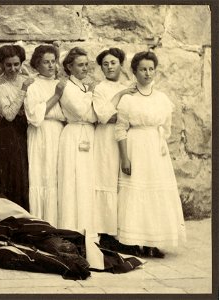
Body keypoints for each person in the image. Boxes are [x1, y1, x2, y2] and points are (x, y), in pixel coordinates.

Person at [0, 174, 143, 280]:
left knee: (55, 243)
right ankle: (69, 262)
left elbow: (18, 218)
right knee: (19, 256)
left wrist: (2, 231)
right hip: (6, 243)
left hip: (23, 232)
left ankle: (76, 253)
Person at [115, 51, 186, 258]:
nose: (147, 73)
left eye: (151, 69)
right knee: (137, 193)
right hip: (136, 147)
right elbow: (120, 130)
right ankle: (137, 241)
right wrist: (125, 157)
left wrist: (159, 144)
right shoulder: (128, 99)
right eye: (143, 69)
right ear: (134, 72)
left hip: (156, 151)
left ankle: (155, 242)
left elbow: (167, 127)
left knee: (157, 194)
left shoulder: (162, 98)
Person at [92, 48, 136, 245]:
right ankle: (106, 231)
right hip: (106, 139)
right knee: (106, 178)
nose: (110, 67)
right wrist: (119, 97)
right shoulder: (99, 88)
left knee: (123, 181)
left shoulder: (130, 86)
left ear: (121, 64)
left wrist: (126, 118)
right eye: (105, 64)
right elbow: (103, 116)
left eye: (113, 63)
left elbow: (135, 115)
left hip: (125, 138)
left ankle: (124, 231)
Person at [57, 47, 98, 241]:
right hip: (74, 134)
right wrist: (90, 95)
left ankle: (87, 229)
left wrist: (89, 99)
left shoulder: (82, 86)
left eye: (86, 64)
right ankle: (71, 228)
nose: (85, 68)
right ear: (69, 67)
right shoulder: (66, 87)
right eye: (80, 65)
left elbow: (94, 114)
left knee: (86, 180)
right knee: (73, 181)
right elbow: (82, 111)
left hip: (88, 134)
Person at [0, 44, 34, 211]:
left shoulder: (27, 80)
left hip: (26, 131)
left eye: (16, 64)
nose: (13, 68)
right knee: (12, 176)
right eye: (8, 65)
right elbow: (9, 114)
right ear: (1, 65)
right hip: (9, 135)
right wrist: (23, 90)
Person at [24, 45, 66, 226]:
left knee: (56, 175)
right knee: (41, 174)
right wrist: (56, 96)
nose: (51, 66)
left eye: (53, 62)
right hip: (41, 132)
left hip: (58, 132)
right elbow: (34, 115)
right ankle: (41, 223)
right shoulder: (33, 85)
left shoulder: (61, 83)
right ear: (37, 64)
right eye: (46, 62)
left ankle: (58, 222)